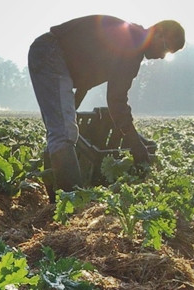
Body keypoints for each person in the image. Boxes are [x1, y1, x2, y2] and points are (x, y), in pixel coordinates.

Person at [28, 15, 185, 194]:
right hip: (51, 52)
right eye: (165, 48)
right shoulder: (132, 43)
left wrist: (73, 105)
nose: (162, 56)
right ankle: (71, 202)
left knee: (61, 128)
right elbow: (116, 99)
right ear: (157, 32)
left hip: (53, 54)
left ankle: (56, 195)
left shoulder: (132, 41)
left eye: (168, 54)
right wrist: (134, 143)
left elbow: (87, 75)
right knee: (63, 132)